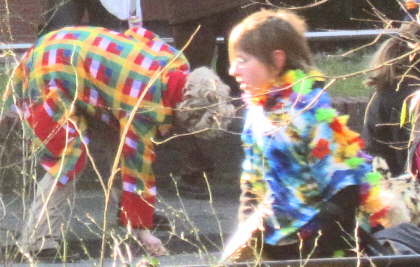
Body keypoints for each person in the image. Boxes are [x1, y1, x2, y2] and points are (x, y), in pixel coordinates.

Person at [2, 25, 234, 258]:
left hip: (71, 52)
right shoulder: (145, 104)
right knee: (68, 157)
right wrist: (144, 234)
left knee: (117, 137)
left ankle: (128, 212)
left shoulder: (175, 63)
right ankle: (38, 238)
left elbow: (140, 35)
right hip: (51, 69)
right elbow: (138, 167)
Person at [227, 9, 389, 260]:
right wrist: (247, 235)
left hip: (319, 248)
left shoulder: (309, 114)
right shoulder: (256, 114)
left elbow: (346, 188)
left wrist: (316, 248)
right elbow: (251, 184)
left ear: (277, 60)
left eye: (243, 60)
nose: (232, 70)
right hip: (273, 245)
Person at [362, 24, 420, 177]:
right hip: (398, 188)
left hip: (380, 182)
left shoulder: (387, 89)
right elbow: (408, 159)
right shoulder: (409, 96)